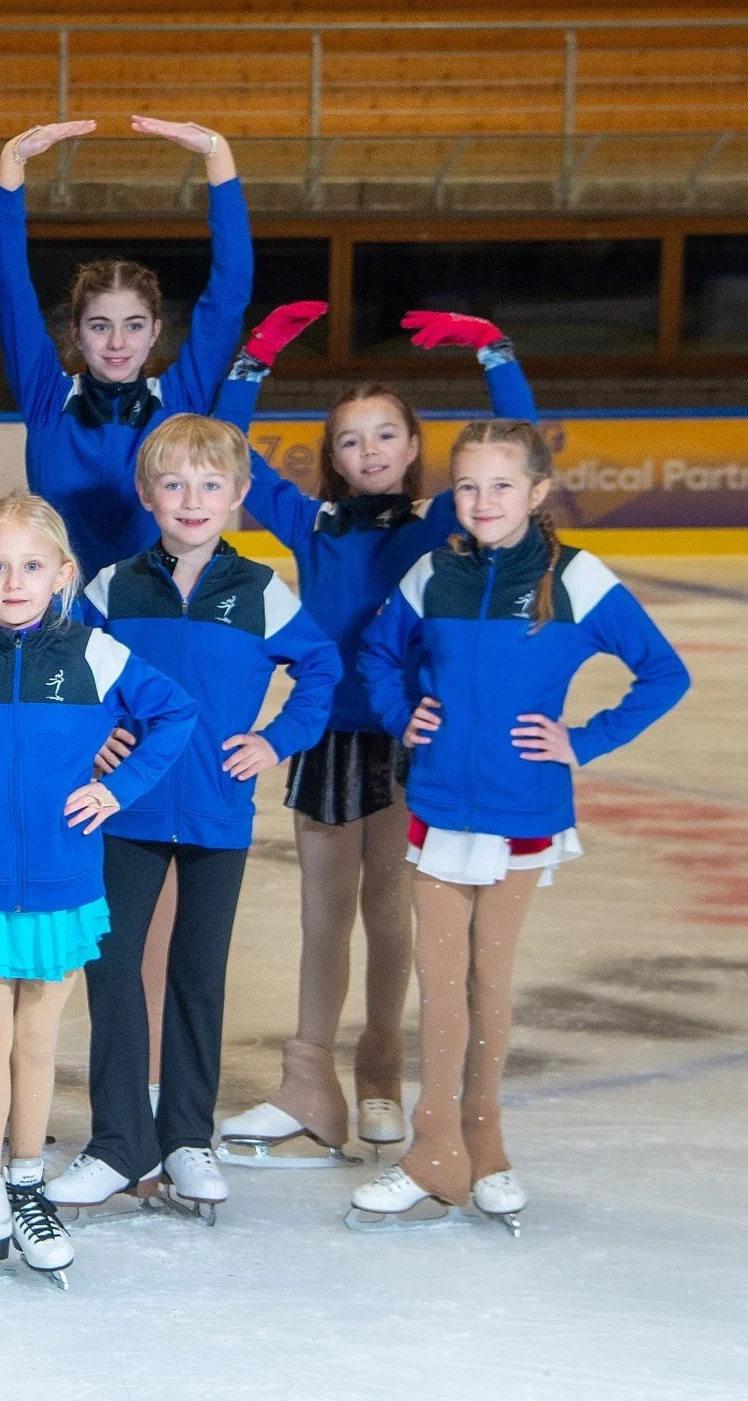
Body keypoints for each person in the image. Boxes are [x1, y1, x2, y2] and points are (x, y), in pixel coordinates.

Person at [209, 302, 540, 1163]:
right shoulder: (310, 523)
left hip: (407, 737)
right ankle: (307, 1076)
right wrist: (253, 363)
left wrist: (493, 353)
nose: (369, 453)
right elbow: (224, 452)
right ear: (332, 455)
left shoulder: (439, 522)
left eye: (384, 435)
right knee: (324, 914)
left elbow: (520, 445)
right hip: (324, 734)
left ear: (411, 443)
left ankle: (382, 1072)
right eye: (351, 440)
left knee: (391, 911)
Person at [348, 420, 688, 1230]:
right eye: (466, 486)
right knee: (438, 983)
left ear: (538, 493)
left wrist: (584, 739)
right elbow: (375, 654)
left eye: (501, 485)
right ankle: (432, 1149)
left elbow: (663, 672)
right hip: (436, 807)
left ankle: (485, 1141)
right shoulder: (435, 571)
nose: (482, 501)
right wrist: (403, 712)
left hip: (523, 814)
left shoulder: (579, 579)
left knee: (486, 980)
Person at [0, 492, 196, 1286]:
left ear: (63, 574)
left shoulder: (96, 654)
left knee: (35, 1043)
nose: (13, 580)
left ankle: (26, 1184)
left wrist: (117, 791)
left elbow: (175, 714)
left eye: (31, 566)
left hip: (64, 886)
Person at [49, 414, 338, 1223]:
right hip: (125, 811)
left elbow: (320, 665)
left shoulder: (259, 592)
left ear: (240, 495)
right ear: (146, 494)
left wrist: (278, 738)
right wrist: (97, 733)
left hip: (216, 813)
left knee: (196, 977)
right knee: (111, 972)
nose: (192, 499)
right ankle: (117, 1142)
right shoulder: (111, 588)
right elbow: (69, 672)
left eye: (211, 485)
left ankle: (185, 1136)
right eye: (173, 484)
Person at [0, 117, 250, 579]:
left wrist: (217, 153)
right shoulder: (49, 400)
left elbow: (227, 297)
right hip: (62, 622)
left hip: (152, 618)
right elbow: (11, 287)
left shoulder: (177, 402)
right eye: (99, 326)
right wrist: (12, 163)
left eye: (132, 326)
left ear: (155, 331)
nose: (116, 343)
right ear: (75, 333)